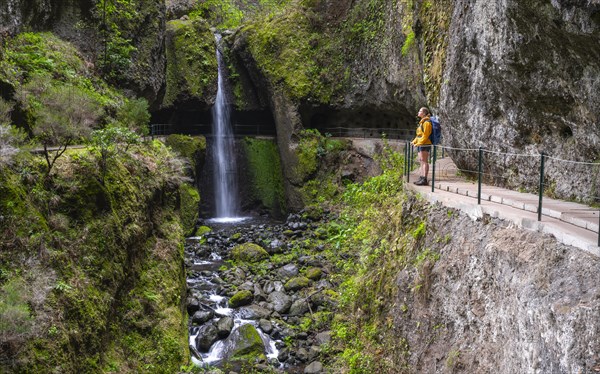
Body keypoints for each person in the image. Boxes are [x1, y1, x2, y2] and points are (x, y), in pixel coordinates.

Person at [411, 107, 432, 186]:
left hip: (425, 143)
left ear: (424, 113)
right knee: (421, 160)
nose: (418, 112)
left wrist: (418, 143)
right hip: (421, 143)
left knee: (424, 161)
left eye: (420, 111)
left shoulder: (427, 123)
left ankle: (424, 179)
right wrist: (414, 141)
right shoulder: (422, 122)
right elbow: (419, 135)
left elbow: (425, 136)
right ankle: (421, 177)